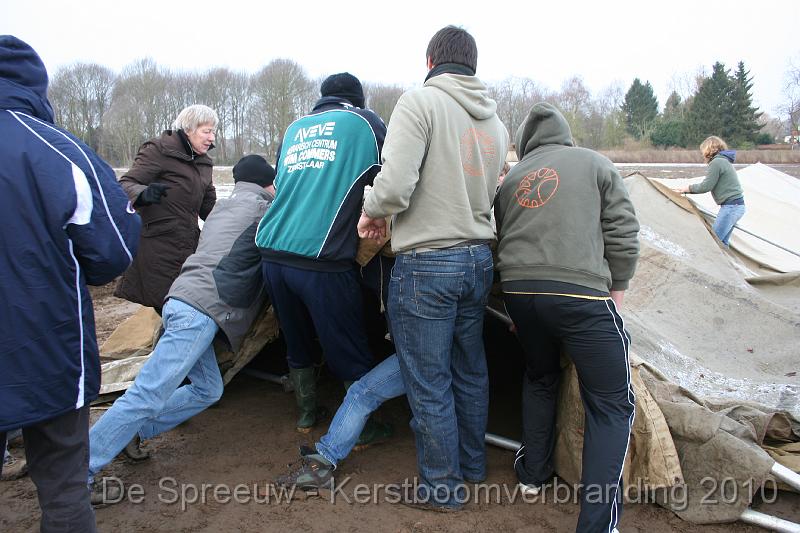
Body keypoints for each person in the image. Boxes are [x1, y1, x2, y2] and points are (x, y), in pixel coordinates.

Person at [357, 25, 509, 510]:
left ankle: (441, 488)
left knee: (428, 381)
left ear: (430, 61)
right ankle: (471, 466)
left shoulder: (418, 103)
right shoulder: (496, 123)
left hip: (428, 264)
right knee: (469, 370)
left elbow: (396, 185)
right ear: (472, 65)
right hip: (477, 261)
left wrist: (371, 207)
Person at [0, 35, 141, 532]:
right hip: (46, 347)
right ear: (36, 87)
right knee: (62, 488)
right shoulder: (53, 149)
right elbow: (113, 253)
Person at [89, 155, 276, 504]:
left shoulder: (224, 207)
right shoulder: (264, 212)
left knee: (207, 389)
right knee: (148, 393)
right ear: (269, 183)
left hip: (179, 299)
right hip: (200, 312)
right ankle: (77, 470)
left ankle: (134, 431)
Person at [493, 102, 639, 532]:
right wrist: (618, 286)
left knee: (540, 376)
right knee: (612, 405)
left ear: (525, 143)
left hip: (520, 294)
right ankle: (597, 525)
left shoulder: (511, 181)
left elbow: (499, 240)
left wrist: (511, 301)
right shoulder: (594, 163)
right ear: (565, 133)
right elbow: (622, 229)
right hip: (581, 296)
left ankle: (532, 475)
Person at [255, 72, 389, 440]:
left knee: (297, 340)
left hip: (272, 249)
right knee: (347, 345)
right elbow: (392, 172)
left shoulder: (295, 128)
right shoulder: (365, 122)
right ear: (358, 99)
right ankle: (363, 430)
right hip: (321, 256)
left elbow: (284, 181)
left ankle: (306, 414)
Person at [114, 104, 218, 313]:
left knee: (185, 306)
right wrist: (143, 194)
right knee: (173, 307)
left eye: (213, 132)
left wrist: (233, 218)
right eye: (206, 131)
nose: (212, 138)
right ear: (189, 129)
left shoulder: (204, 163)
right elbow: (125, 185)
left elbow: (209, 207)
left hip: (188, 245)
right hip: (158, 246)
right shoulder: (159, 150)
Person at [674, 136, 745, 246]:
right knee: (722, 243)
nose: (702, 154)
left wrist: (686, 189)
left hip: (731, 207)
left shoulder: (716, 163)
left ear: (709, 149)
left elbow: (706, 186)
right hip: (736, 206)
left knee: (713, 243)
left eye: (703, 150)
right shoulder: (723, 161)